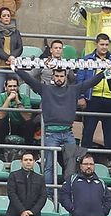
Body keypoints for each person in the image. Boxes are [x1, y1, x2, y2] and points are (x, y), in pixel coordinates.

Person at [13, 62, 101, 192]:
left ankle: (70, 192)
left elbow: (90, 83)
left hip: (68, 133)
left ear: (65, 77)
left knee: (71, 165)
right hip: (51, 134)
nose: (59, 78)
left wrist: (104, 73)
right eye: (57, 76)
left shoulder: (74, 90)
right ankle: (48, 194)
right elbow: (29, 80)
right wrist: (16, 68)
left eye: (61, 76)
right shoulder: (45, 89)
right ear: (53, 76)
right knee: (49, 165)